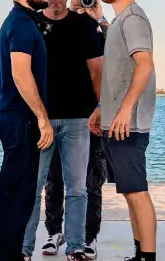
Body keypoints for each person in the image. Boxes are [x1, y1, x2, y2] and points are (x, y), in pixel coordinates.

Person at [73, 0, 157, 261]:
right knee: (129, 193)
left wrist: (123, 112)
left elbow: (144, 64)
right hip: (116, 121)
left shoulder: (134, 18)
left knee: (137, 192)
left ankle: (148, 257)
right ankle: (139, 254)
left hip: (128, 124)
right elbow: (117, 68)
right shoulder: (121, 21)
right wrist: (101, 109)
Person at [22, 0, 104, 261]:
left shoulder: (83, 25)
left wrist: (100, 107)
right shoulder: (31, 23)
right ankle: (24, 249)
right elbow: (23, 73)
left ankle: (76, 247)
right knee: (33, 189)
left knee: (78, 189)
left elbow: (97, 71)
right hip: (41, 120)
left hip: (78, 120)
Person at [0, 0, 54, 261]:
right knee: (16, 198)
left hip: (17, 119)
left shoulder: (24, 21)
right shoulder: (20, 23)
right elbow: (20, 73)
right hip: (20, 120)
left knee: (18, 197)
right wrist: (42, 117)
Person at [41, 18, 107, 260]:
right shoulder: (54, 30)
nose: (81, 12)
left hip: (90, 118)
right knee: (54, 179)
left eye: (86, 8)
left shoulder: (97, 32)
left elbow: (115, 54)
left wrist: (100, 19)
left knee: (90, 182)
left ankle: (88, 237)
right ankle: (54, 232)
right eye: (77, 6)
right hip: (58, 117)